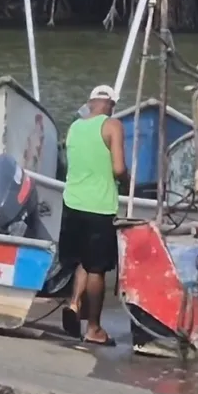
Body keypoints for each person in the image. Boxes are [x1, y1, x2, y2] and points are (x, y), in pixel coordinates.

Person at [58, 84, 128, 346]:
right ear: (110, 104)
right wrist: (127, 179)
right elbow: (119, 168)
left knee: (82, 262)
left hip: (72, 202)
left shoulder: (75, 127)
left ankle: (75, 304)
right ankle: (95, 328)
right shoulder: (112, 126)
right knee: (97, 268)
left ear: (90, 102)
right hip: (99, 206)